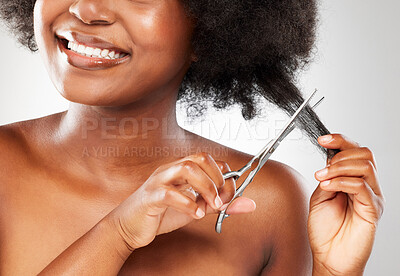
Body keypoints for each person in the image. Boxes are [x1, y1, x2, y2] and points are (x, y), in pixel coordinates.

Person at [0, 0, 384, 275]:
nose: (85, 9)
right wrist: (117, 234)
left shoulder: (271, 204)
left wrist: (336, 272)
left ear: (209, 27)